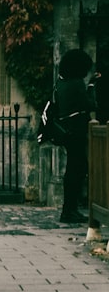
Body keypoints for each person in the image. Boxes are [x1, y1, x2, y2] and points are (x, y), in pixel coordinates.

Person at [56, 48, 96, 224]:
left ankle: (69, 209)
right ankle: (70, 210)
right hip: (77, 132)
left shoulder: (61, 83)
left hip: (67, 132)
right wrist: (92, 86)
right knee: (77, 170)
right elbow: (90, 104)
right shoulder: (77, 83)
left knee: (73, 169)